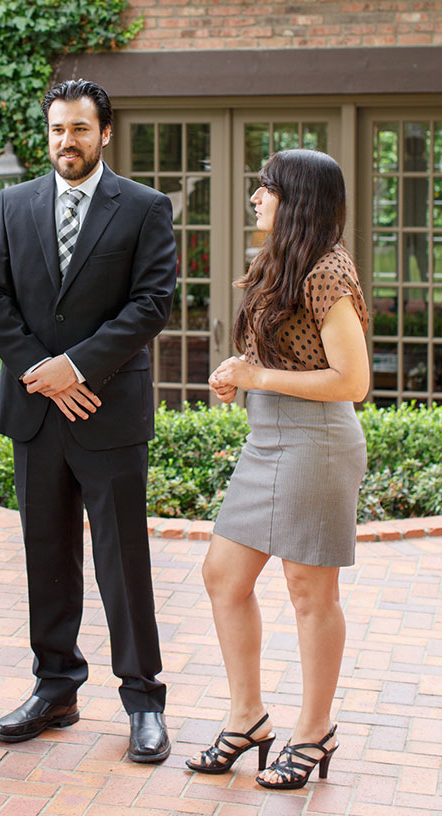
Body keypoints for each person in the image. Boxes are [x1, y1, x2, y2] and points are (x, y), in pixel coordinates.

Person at [0, 79, 177, 763]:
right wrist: (47, 373)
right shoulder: (14, 203)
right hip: (38, 411)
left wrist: (80, 368)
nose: (67, 141)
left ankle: (144, 699)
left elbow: (152, 303)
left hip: (109, 409)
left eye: (80, 130)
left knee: (124, 560)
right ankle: (55, 687)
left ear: (105, 133)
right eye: (58, 129)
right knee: (46, 556)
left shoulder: (145, 208)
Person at [186, 149, 369, 789]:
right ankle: (248, 719)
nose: (256, 198)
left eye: (267, 189)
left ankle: (314, 731)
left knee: (309, 592)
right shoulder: (281, 263)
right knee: (223, 576)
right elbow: (286, 351)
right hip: (268, 437)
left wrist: (258, 374)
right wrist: (241, 373)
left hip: (317, 443)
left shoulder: (328, 271)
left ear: (299, 200)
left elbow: (354, 381)